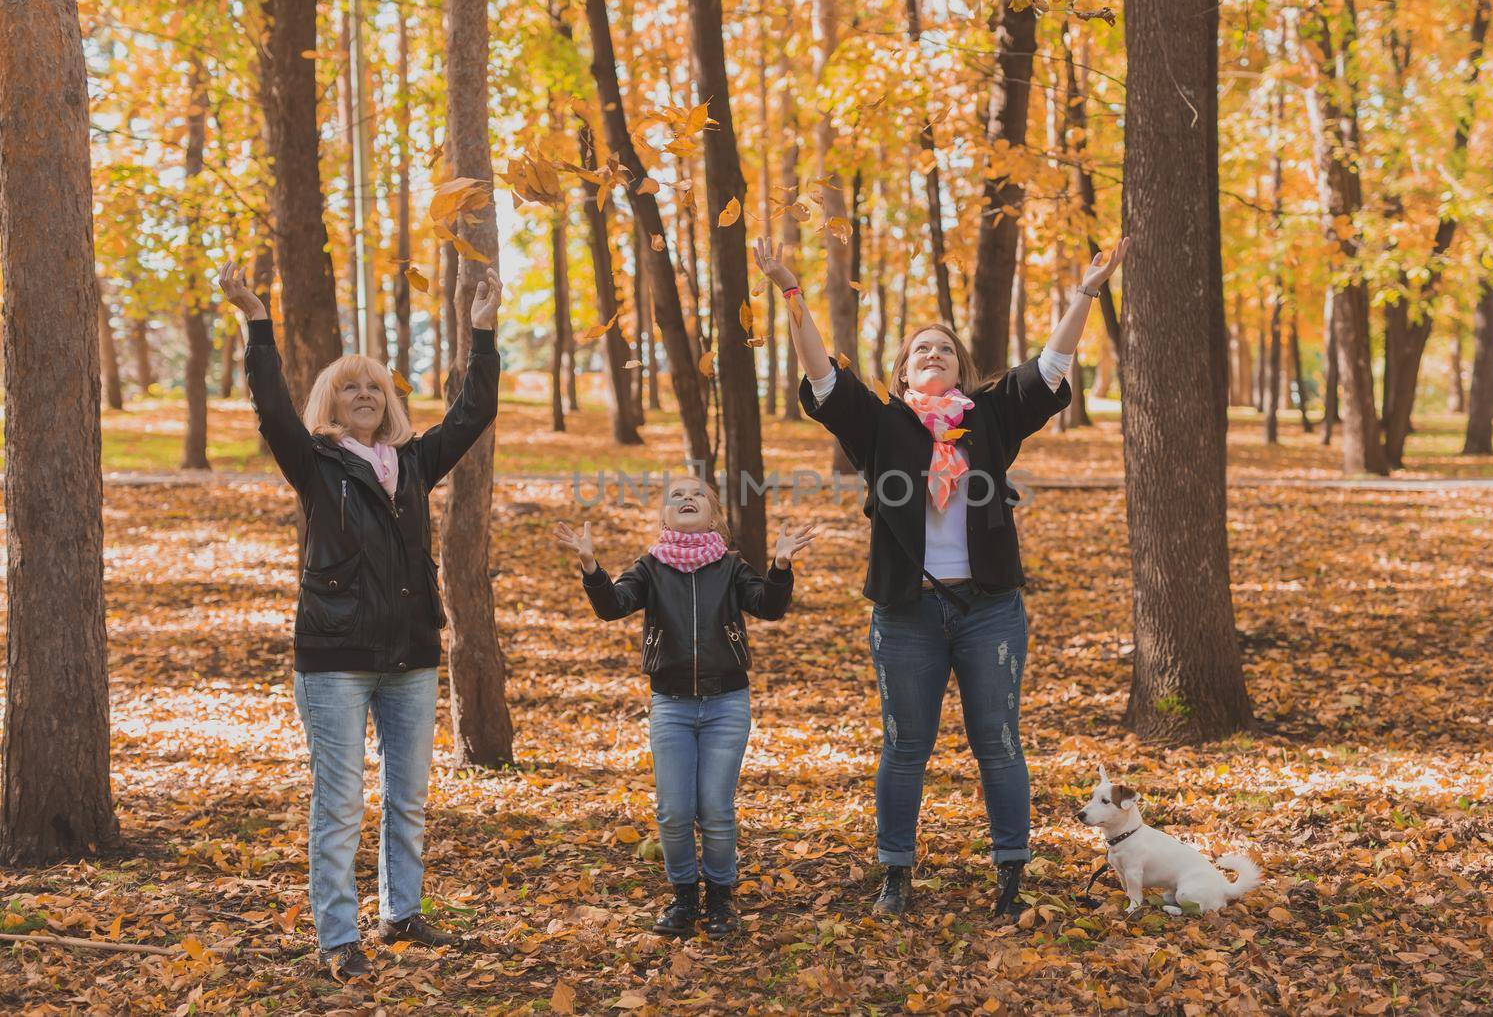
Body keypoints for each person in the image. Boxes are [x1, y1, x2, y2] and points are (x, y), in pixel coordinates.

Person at [753, 234, 1130, 919]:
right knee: (904, 744)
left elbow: (1051, 364)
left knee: (998, 740)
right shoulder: (881, 425)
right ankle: (895, 871)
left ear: (960, 369)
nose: (934, 354)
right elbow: (822, 376)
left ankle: (1011, 870)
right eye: (921, 349)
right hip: (907, 612)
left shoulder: (989, 417)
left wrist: (1088, 291)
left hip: (989, 609)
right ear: (901, 372)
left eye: (945, 349)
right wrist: (789, 291)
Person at [217, 260, 502, 980]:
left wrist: (483, 330)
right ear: (331, 401)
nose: (365, 394)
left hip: (410, 654)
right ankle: (337, 935)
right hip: (335, 658)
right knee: (339, 801)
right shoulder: (312, 461)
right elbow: (272, 406)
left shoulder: (412, 461)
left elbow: (472, 413)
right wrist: (257, 319)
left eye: (375, 385)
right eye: (350, 386)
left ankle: (401, 913)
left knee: (407, 798)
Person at [556, 477, 816, 939]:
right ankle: (683, 897)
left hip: (726, 703)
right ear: (664, 517)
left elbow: (768, 607)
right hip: (671, 705)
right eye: (676, 495)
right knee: (674, 811)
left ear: (713, 515)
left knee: (715, 808)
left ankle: (720, 897)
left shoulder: (731, 566)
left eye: (697, 494)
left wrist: (779, 566)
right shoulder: (650, 567)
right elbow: (613, 606)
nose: (687, 498)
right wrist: (591, 565)